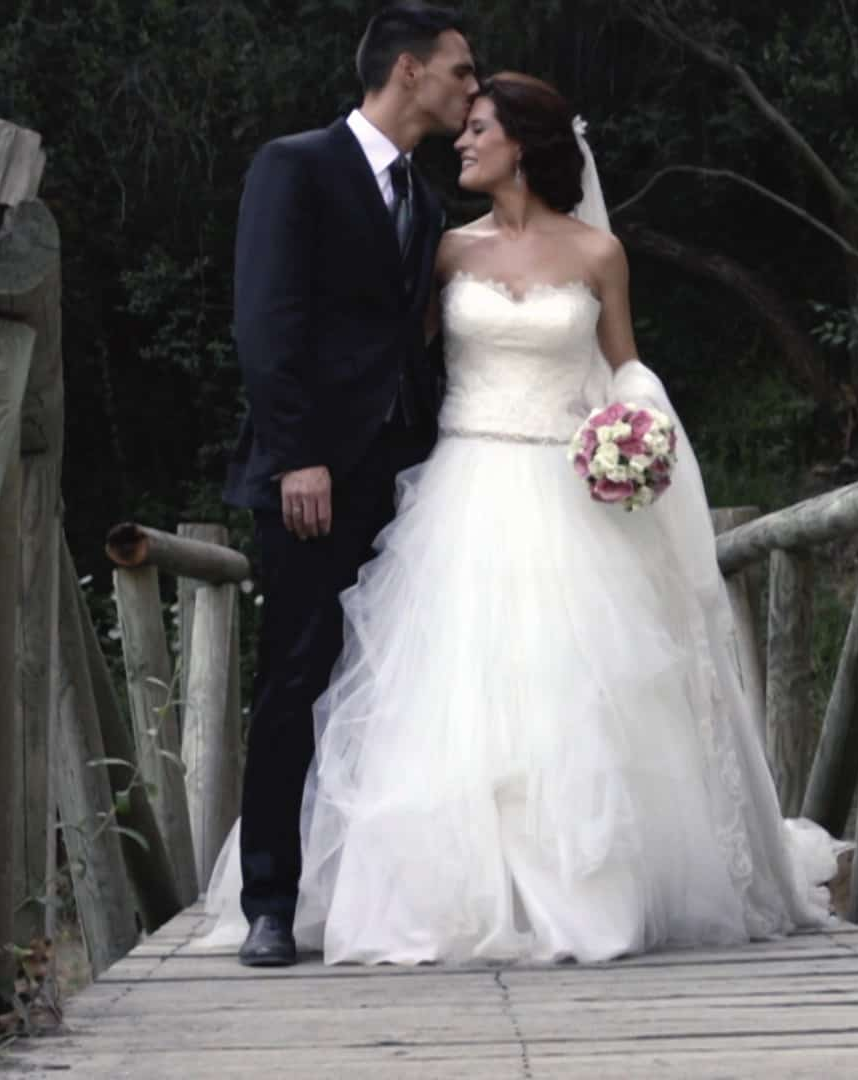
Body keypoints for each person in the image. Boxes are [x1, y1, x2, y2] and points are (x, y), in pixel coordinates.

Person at [202, 70, 843, 966]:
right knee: (450, 694)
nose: (461, 140)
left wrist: (636, 426)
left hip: (560, 485)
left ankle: (574, 891)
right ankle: (445, 894)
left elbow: (623, 363)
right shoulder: (445, 249)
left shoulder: (596, 254)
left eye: (479, 128)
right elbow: (390, 358)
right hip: (459, 486)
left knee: (566, 688)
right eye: (463, 126)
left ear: (525, 147)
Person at [221, 3, 477, 967]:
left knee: (391, 685)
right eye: (458, 70)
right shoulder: (296, 166)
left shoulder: (424, 193)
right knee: (295, 672)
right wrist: (296, 454)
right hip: (313, 475)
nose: (468, 88)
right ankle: (270, 902)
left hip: (407, 477)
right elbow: (266, 317)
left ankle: (373, 892)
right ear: (408, 71)